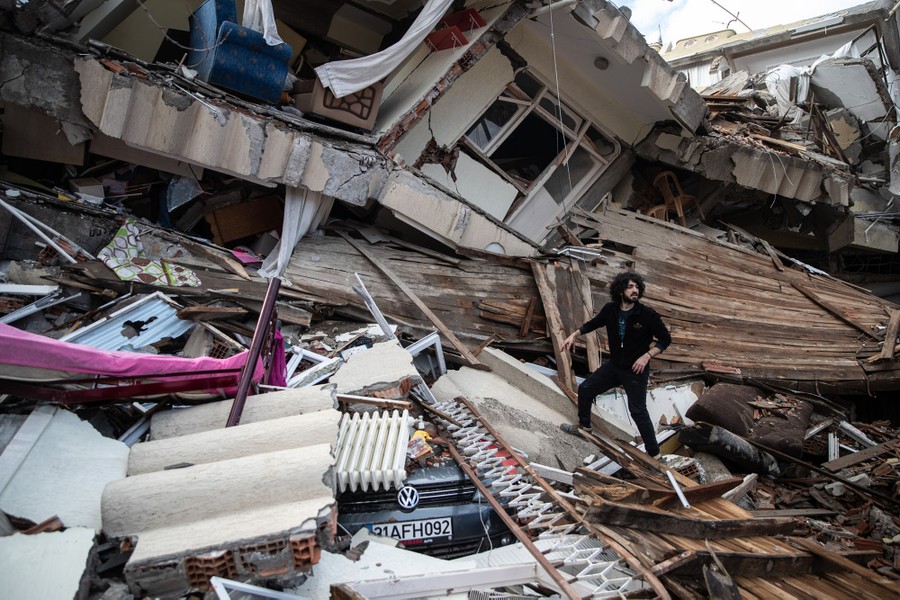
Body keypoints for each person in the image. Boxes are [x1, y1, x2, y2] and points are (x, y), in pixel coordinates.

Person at [559, 271, 671, 458]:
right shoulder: (610, 310)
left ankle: (655, 455)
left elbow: (665, 340)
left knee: (637, 411)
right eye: (630, 287)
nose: (635, 290)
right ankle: (585, 428)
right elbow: (592, 324)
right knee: (586, 388)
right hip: (615, 366)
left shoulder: (647, 315)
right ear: (620, 290)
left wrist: (646, 356)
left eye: (637, 287)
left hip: (636, 369)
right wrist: (573, 335)